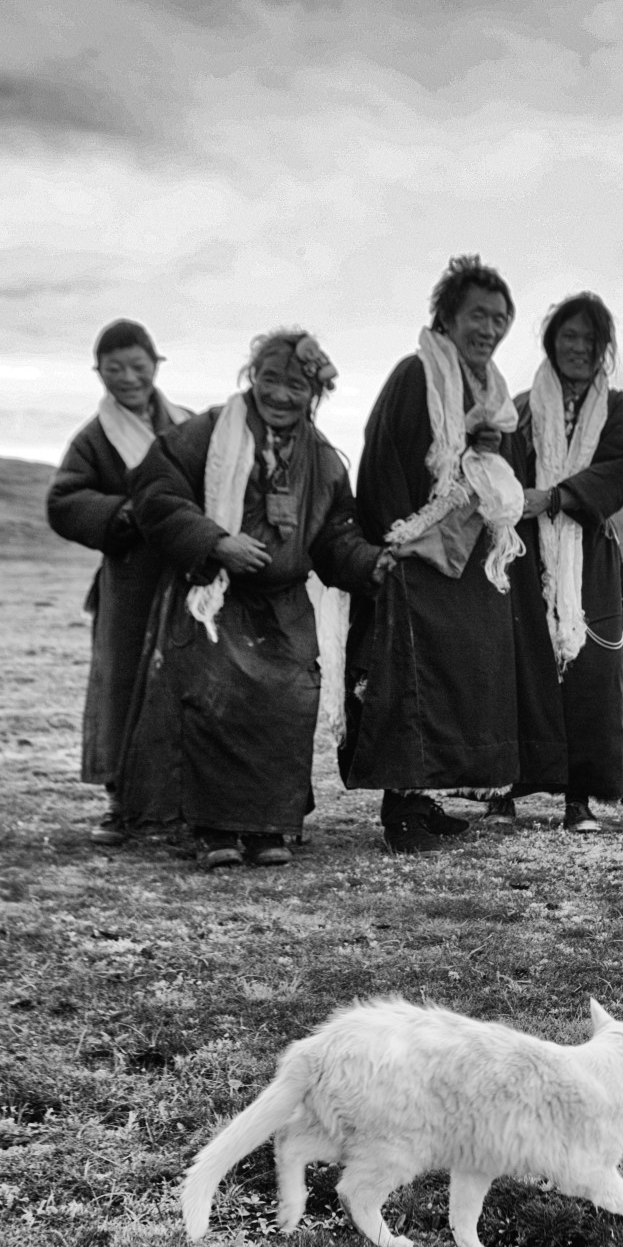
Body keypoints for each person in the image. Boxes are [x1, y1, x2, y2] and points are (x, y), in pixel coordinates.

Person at [117, 328, 384, 867]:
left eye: (295, 385)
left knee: (286, 709)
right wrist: (216, 542)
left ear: (314, 395)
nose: (280, 394)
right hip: (217, 601)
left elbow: (335, 538)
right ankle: (215, 831)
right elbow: (155, 493)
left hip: (284, 609)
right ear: (250, 378)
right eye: (269, 379)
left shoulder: (326, 460)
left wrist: (370, 565)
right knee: (216, 707)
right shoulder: (205, 433)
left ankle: (269, 830)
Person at [342, 255, 566, 853]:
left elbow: (501, 480)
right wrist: (392, 542)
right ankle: (400, 813)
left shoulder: (492, 394)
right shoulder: (415, 375)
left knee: (448, 684)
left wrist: (485, 444)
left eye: (499, 318)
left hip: (467, 555)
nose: (489, 329)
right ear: (447, 314)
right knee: (411, 681)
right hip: (418, 550)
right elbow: (387, 460)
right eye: (478, 315)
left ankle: (424, 798)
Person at [497, 292, 623, 833]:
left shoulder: (619, 410)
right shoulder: (519, 408)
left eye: (589, 339)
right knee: (522, 663)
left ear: (603, 347)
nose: (578, 347)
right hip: (526, 551)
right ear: (552, 342)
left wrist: (557, 498)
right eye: (569, 337)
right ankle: (504, 784)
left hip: (587, 555)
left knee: (588, 671)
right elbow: (500, 469)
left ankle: (578, 799)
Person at [47, 319, 191, 845]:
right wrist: (126, 514)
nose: (128, 378)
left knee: (185, 683)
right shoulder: (92, 438)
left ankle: (181, 801)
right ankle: (120, 802)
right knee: (122, 684)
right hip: (129, 581)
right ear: (98, 372)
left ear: (157, 364)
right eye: (114, 369)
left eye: (138, 366)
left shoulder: (186, 425)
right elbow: (64, 500)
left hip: (184, 576)